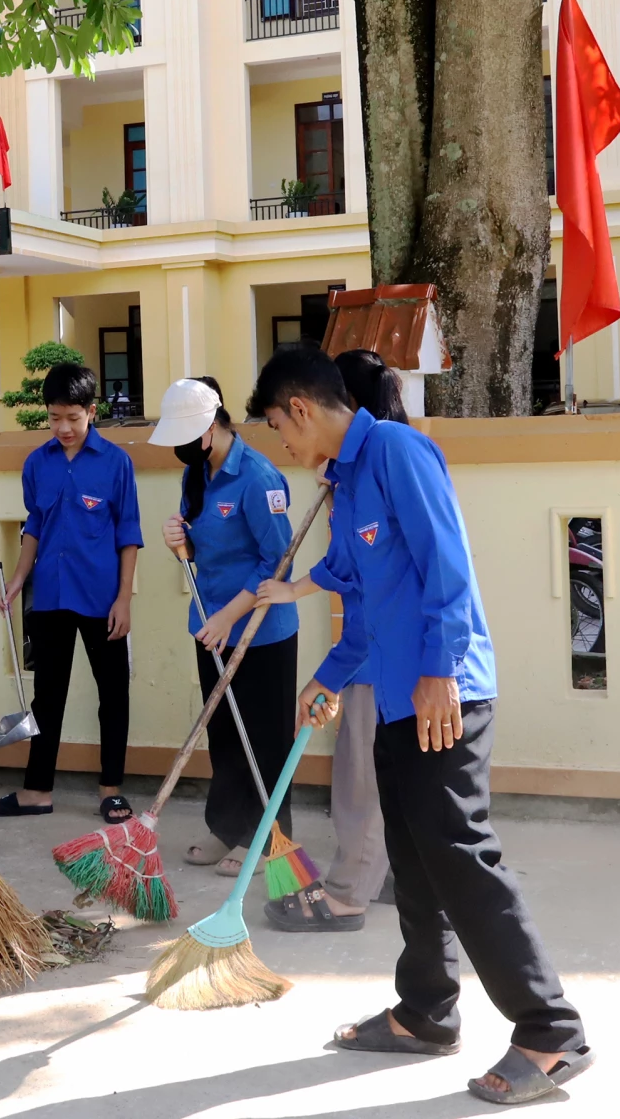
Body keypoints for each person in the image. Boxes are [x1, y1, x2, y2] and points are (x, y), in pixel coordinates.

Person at [247, 345, 593, 1107]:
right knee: (415, 857)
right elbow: (366, 605)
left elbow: (449, 564)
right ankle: (426, 1011)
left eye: (278, 427)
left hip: (445, 695)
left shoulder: (400, 450)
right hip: (399, 698)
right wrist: (329, 678)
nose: (283, 444)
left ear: (301, 408)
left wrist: (439, 668)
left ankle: (551, 1030)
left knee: (462, 857)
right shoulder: (344, 482)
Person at [256, 348, 401, 931]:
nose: (285, 440)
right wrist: (296, 589)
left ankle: (346, 893)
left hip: (379, 656)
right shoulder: (359, 474)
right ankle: (390, 873)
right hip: (379, 654)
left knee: (359, 780)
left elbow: (373, 587)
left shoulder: (378, 468)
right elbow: (344, 565)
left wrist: (335, 671)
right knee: (384, 779)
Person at [147, 377, 298, 876]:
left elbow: (278, 564)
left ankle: (266, 836)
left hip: (260, 630)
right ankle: (226, 827)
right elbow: (201, 548)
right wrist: (180, 543)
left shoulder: (258, 478)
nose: (180, 448)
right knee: (225, 733)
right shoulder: (198, 473)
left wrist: (229, 616)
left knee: (264, 736)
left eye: (187, 435)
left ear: (212, 427)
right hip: (210, 627)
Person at [0, 362, 142, 824]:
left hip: (102, 599)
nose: (64, 427)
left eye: (73, 417)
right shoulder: (37, 464)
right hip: (50, 596)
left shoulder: (116, 463)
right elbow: (35, 526)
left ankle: (111, 790)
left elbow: (128, 535)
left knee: (113, 694)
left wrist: (125, 598)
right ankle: (37, 790)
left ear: (91, 411)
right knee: (47, 697)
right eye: (55, 418)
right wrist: (17, 579)